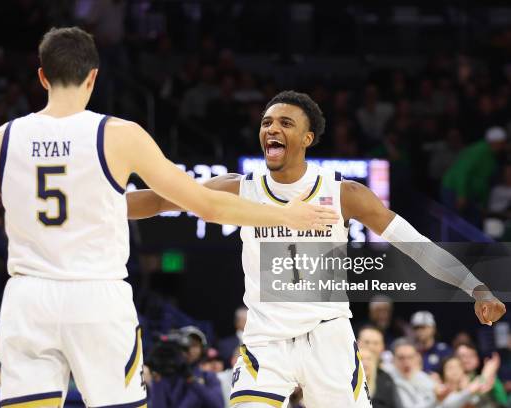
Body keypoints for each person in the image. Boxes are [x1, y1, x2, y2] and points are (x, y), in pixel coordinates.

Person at [0, 27, 337, 408]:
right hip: (96, 298)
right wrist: (287, 214)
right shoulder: (118, 134)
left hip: (28, 298)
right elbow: (207, 205)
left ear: (43, 76)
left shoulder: (2, 140)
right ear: (93, 77)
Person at [126, 90, 506, 407]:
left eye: (285, 123)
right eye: (267, 123)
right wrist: (91, 206)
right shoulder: (240, 188)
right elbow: (160, 201)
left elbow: (418, 247)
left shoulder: (344, 193)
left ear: (308, 139)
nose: (272, 128)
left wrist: (477, 287)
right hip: (266, 339)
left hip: (327, 338)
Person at [357, 325, 402, 408]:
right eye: (367, 342)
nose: (371, 347)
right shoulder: (345, 372)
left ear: (383, 347)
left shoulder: (387, 377)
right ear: (357, 344)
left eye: (376, 343)